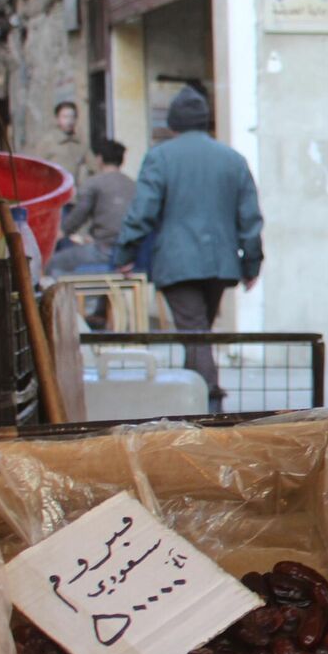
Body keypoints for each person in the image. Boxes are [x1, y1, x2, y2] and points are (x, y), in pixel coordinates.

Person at [113, 87, 264, 412]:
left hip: (177, 262)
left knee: (194, 332)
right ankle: (196, 398)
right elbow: (249, 218)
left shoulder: (160, 157)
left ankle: (210, 401)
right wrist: (252, 264)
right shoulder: (232, 159)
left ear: (173, 123)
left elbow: (143, 211)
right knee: (199, 331)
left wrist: (125, 253)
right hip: (221, 264)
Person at [48, 139, 135, 275]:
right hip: (130, 252)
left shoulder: (94, 183)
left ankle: (83, 297)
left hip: (104, 250)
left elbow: (79, 215)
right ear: (122, 161)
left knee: (53, 264)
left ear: (99, 159)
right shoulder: (133, 185)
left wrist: (61, 232)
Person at [34, 100, 93, 185]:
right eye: (65, 117)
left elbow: (94, 167)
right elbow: (36, 168)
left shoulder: (80, 143)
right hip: (54, 190)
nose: (69, 121)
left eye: (72, 117)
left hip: (75, 192)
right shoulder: (48, 141)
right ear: (57, 119)